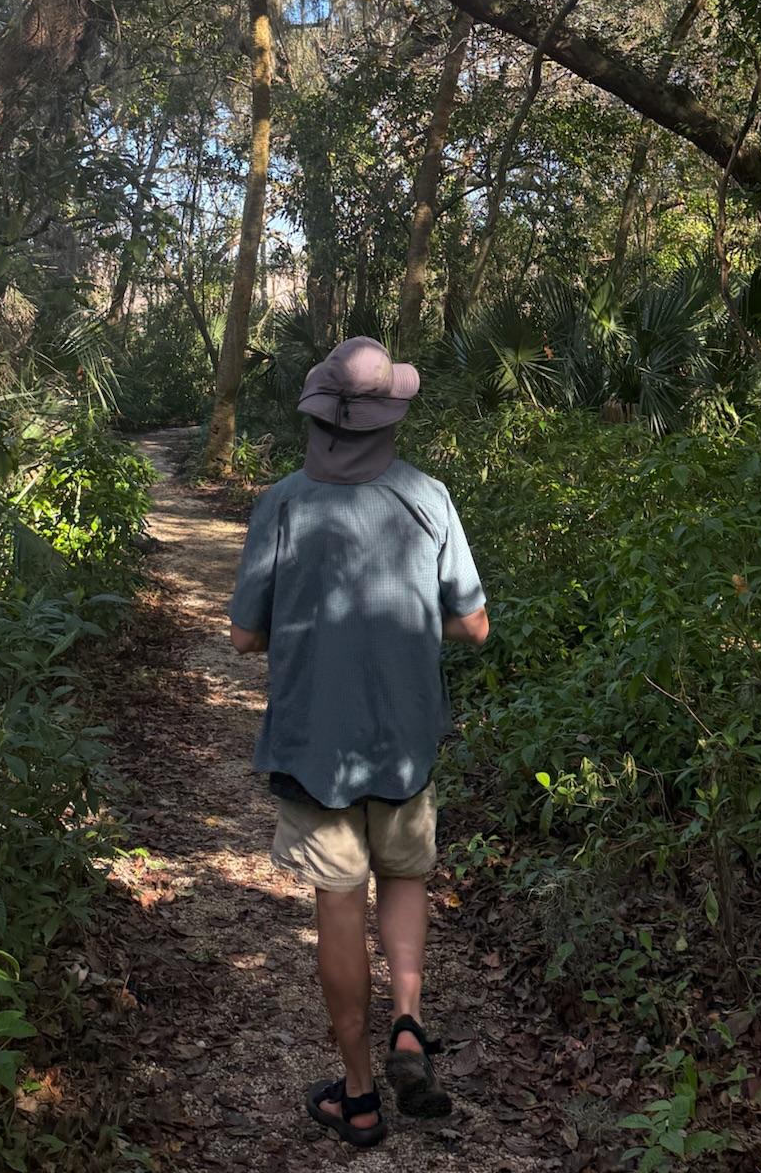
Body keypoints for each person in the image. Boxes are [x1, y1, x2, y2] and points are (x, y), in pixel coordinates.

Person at [227, 336, 489, 1149]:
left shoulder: (284, 503)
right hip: (406, 738)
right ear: (391, 419)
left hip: (313, 744)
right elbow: (474, 625)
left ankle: (361, 1093)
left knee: (339, 899)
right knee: (405, 874)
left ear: (317, 419)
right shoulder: (428, 498)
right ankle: (409, 1021)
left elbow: (242, 636)